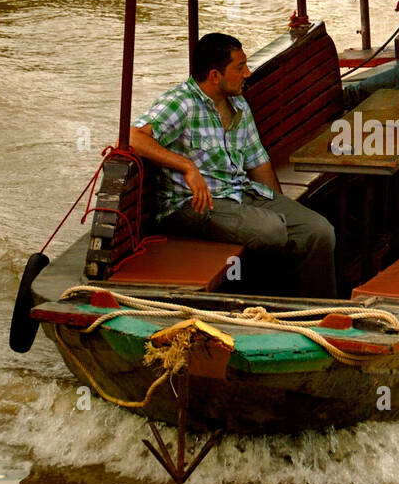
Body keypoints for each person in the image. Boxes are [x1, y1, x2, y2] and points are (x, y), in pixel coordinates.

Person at [128, 32, 337, 299]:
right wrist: (187, 167)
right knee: (271, 230)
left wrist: (281, 205)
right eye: (240, 67)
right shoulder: (181, 102)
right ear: (215, 76)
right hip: (193, 205)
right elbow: (132, 137)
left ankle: (319, 310)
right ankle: (271, 300)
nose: (247, 73)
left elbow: (258, 162)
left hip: (240, 193)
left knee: (319, 231)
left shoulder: (238, 104)